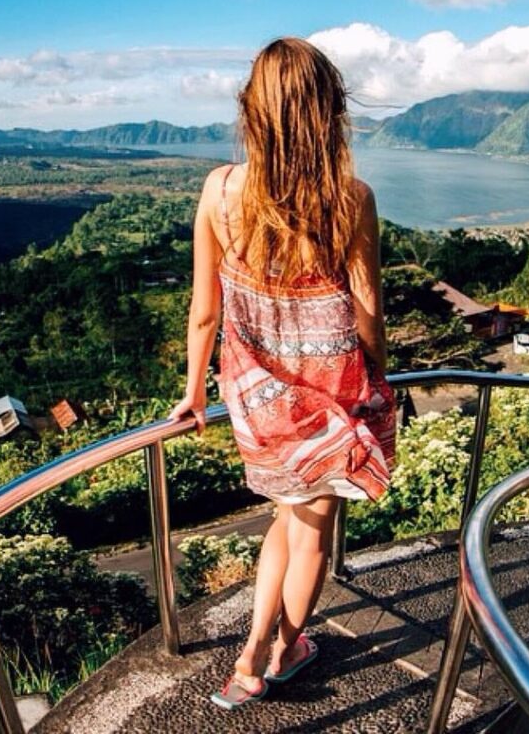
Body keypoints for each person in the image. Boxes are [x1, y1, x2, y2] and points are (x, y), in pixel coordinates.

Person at [169, 36, 395, 709]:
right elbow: (369, 315)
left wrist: (189, 393)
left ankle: (249, 658)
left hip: (258, 403)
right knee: (313, 536)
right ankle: (276, 652)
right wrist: (380, 381)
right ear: (328, 111)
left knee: (286, 522)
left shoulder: (219, 190)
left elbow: (204, 313)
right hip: (331, 401)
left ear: (253, 111)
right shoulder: (351, 199)